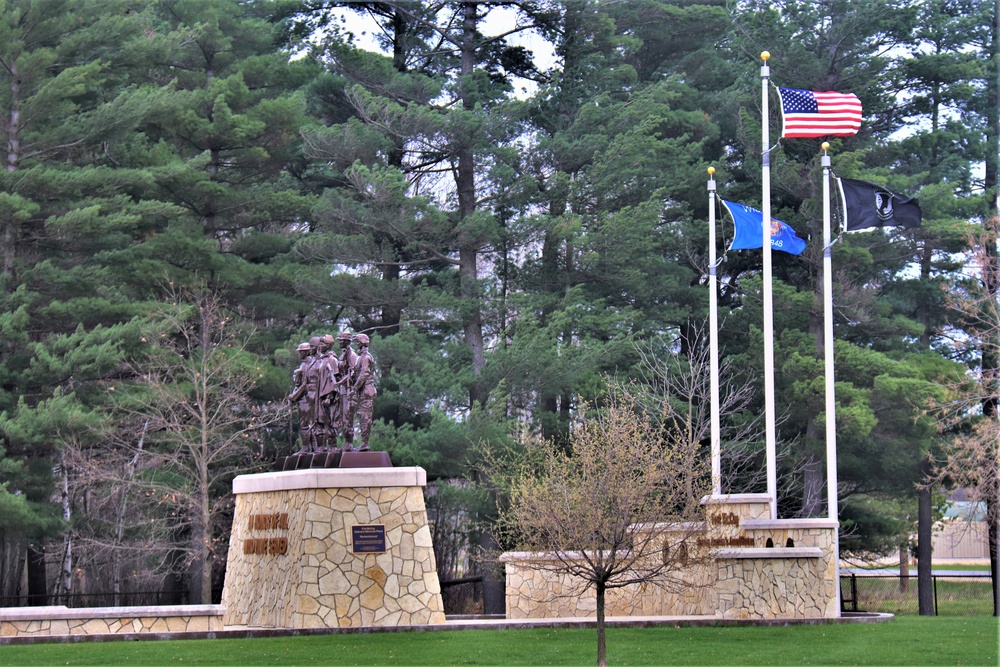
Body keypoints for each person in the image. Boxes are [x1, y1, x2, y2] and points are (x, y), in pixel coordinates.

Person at [351, 333, 377, 452]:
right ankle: (363, 442)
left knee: (365, 416)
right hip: (362, 390)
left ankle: (365, 443)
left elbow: (364, 375)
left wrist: (354, 388)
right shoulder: (360, 357)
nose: (356, 344)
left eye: (357, 342)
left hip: (366, 390)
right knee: (362, 415)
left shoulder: (366, 357)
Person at [287, 342, 313, 452]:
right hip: (303, 398)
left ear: (306, 352)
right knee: (306, 424)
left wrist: (294, 397)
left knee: (305, 424)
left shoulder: (308, 364)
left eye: (301, 352)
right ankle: (311, 447)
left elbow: (304, 385)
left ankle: (306, 447)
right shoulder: (303, 364)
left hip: (306, 399)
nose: (299, 354)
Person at [336, 331, 358, 450]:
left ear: (347, 341)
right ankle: (346, 442)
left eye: (341, 340)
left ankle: (349, 443)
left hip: (349, 390)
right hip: (342, 390)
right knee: (343, 418)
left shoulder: (352, 355)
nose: (339, 341)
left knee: (348, 417)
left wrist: (341, 381)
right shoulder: (342, 355)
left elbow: (352, 373)